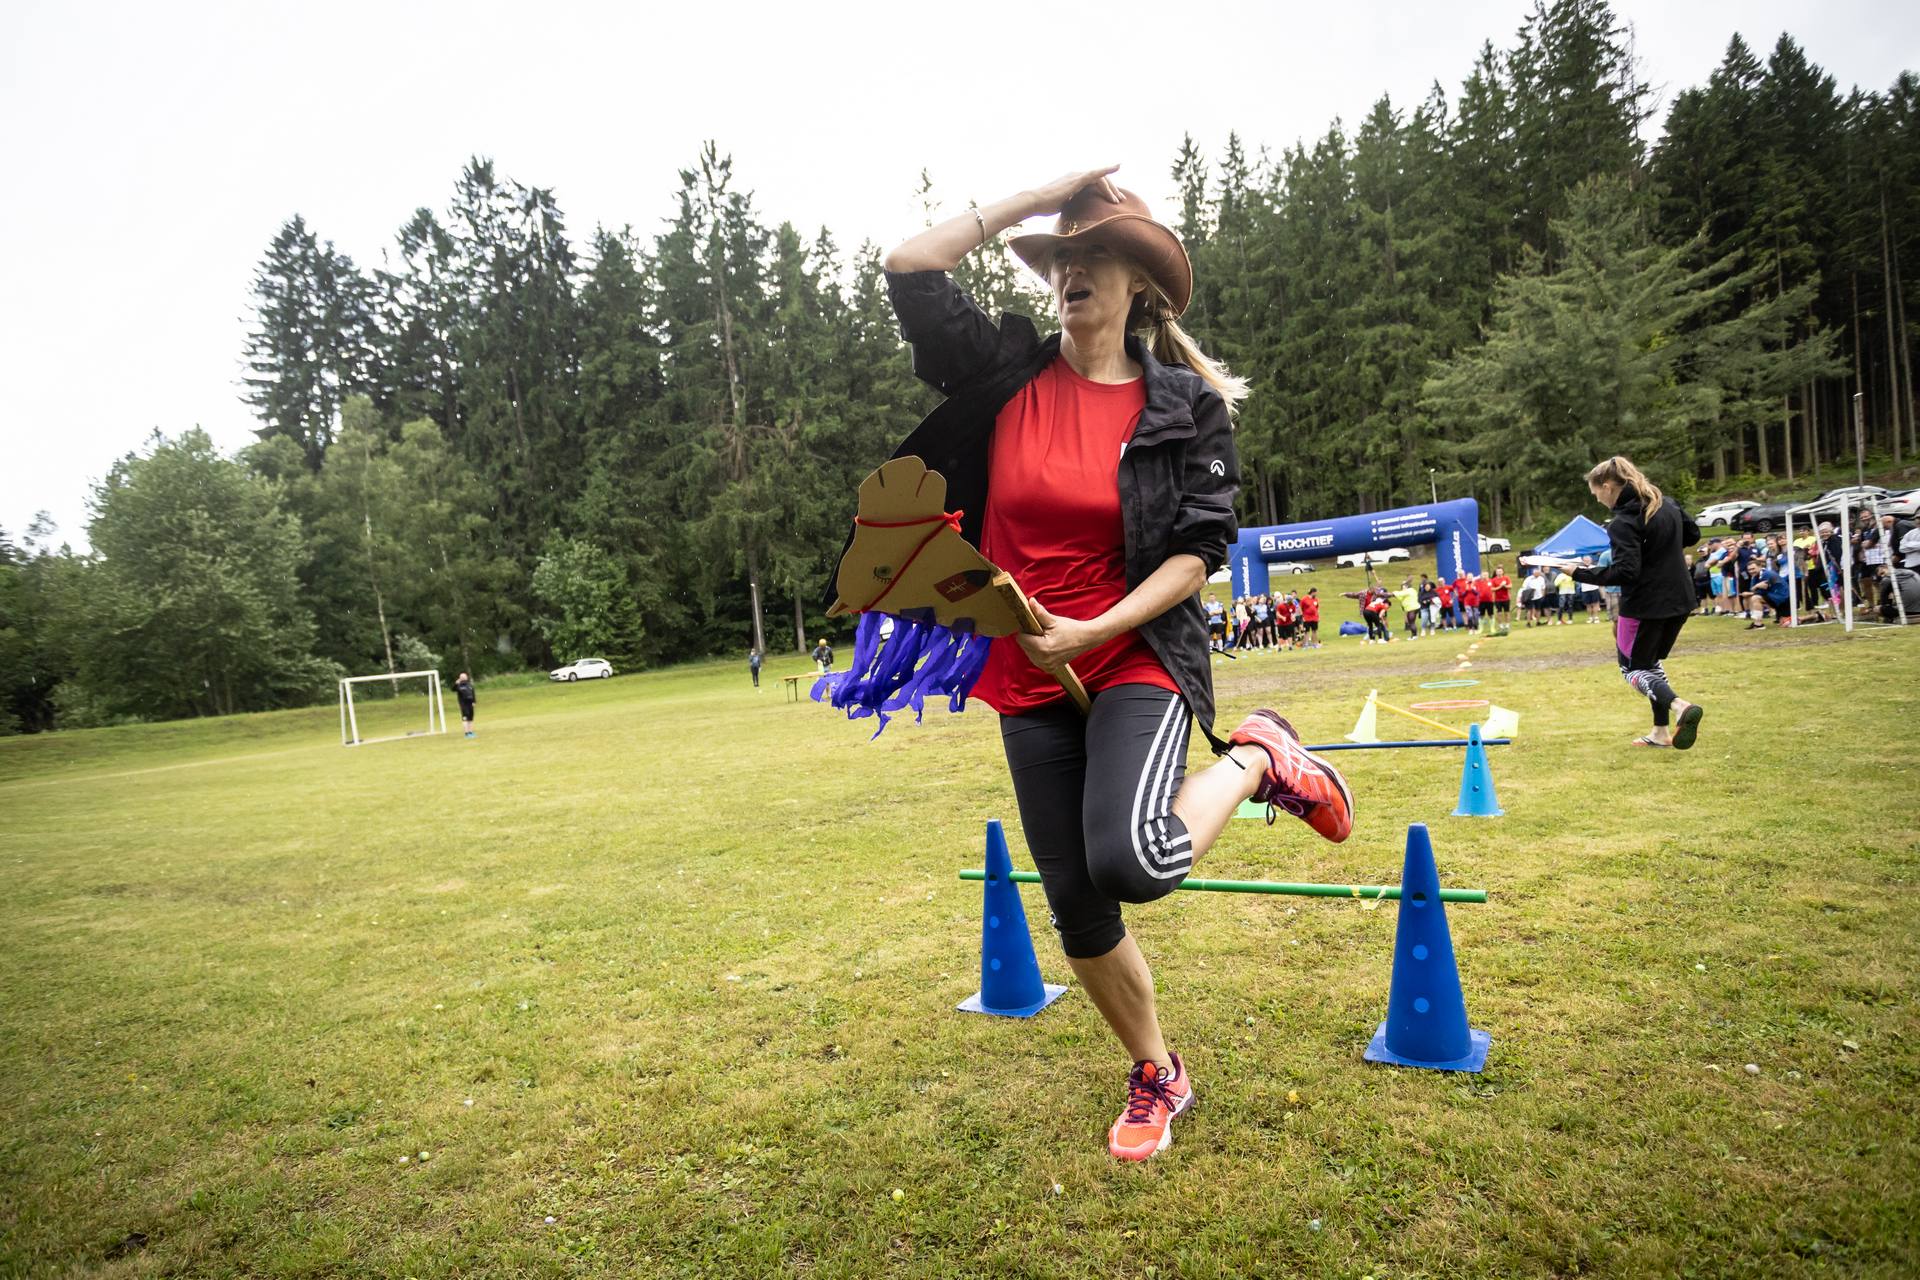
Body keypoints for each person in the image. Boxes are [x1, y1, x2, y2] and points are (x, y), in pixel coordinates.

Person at [880, 168, 1353, 1162]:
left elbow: (1199, 550)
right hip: (1025, 667)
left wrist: (1094, 630)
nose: (1071, 271)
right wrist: (1041, 197)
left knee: (1132, 861)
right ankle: (1157, 1071)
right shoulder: (1003, 372)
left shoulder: (1188, 409)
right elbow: (911, 266)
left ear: (1140, 283)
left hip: (1135, 652)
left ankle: (1259, 756)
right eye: (1060, 258)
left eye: (1093, 254)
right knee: (1077, 905)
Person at [1570, 456, 1704, 749]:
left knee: (1632, 669)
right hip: (1680, 600)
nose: (1598, 500)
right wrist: (1659, 549)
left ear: (1607, 486)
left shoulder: (1623, 522)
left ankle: (1679, 706)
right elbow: (1693, 534)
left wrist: (1577, 572)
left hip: (1645, 606)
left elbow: (1625, 572)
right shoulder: (1665, 503)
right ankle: (1660, 732)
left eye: (1596, 493)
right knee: (1650, 665)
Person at [453, 671, 476, 739]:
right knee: (465, 719)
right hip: (464, 705)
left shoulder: (469, 685)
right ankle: (466, 733)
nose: (464, 678)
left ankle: (470, 732)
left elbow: (473, 693)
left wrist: (474, 701)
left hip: (470, 704)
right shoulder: (459, 685)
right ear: (460, 678)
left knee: (470, 719)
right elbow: (453, 689)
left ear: (466, 677)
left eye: (465, 676)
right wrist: (456, 683)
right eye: (462, 677)